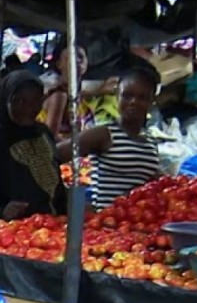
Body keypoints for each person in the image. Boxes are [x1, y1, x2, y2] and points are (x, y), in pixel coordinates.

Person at [0, 71, 67, 219]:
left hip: (52, 230)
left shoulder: (43, 134)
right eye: (18, 101)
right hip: (7, 236)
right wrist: (1, 212)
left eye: (35, 101)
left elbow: (56, 187)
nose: (28, 107)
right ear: (6, 101)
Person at [59, 69, 162, 210]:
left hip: (139, 224)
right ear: (117, 96)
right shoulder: (104, 134)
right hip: (106, 224)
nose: (133, 102)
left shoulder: (150, 141)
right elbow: (53, 155)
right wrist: (69, 198)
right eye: (127, 96)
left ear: (152, 101)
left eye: (142, 97)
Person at [41, 41, 118, 137]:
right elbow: (50, 140)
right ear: (58, 64)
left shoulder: (82, 102)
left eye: (81, 56)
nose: (77, 60)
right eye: (71, 57)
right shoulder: (59, 96)